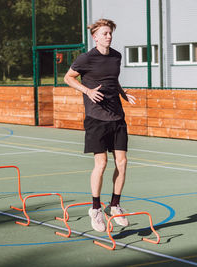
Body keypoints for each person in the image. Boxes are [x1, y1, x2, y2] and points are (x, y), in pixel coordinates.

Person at [64, 18, 136, 232]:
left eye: (110, 33)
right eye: (104, 33)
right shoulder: (86, 59)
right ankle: (95, 208)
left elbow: (113, 80)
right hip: (96, 118)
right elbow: (68, 78)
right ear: (95, 37)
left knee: (122, 162)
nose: (108, 36)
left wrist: (123, 94)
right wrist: (87, 91)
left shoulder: (116, 56)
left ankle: (114, 205)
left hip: (117, 117)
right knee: (102, 163)